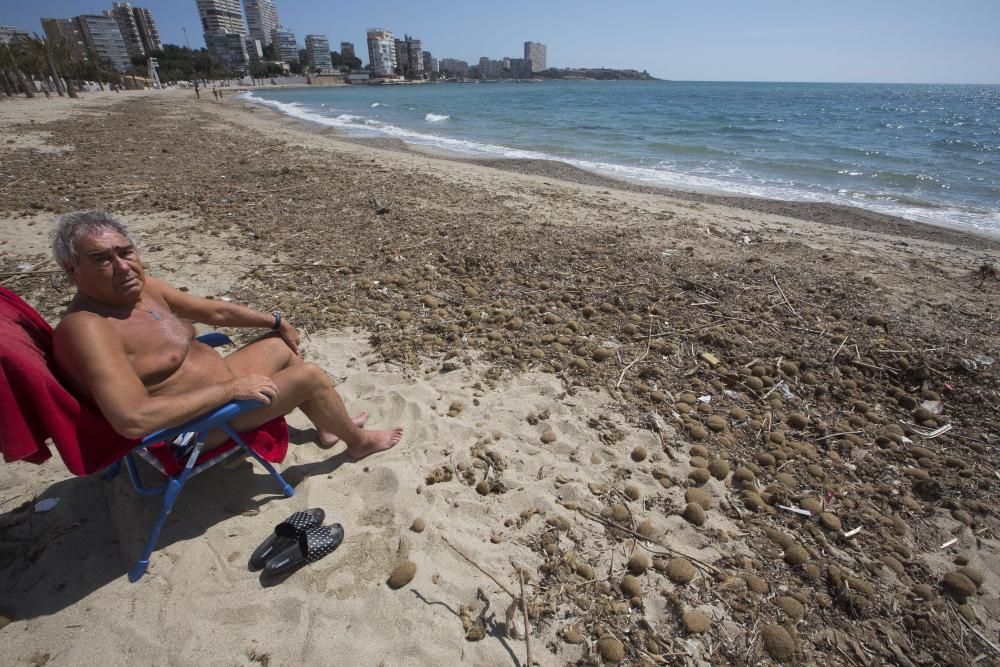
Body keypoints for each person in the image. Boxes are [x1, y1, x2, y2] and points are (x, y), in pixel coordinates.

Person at [50, 211, 402, 459]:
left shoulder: (143, 290)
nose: (123, 266)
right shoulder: (88, 327)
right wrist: (230, 390)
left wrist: (275, 321)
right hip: (191, 428)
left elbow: (215, 311)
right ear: (73, 270)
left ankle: (328, 426)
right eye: (101, 259)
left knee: (281, 346)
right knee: (308, 375)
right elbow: (132, 419)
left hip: (220, 394)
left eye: (125, 252)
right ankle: (358, 442)